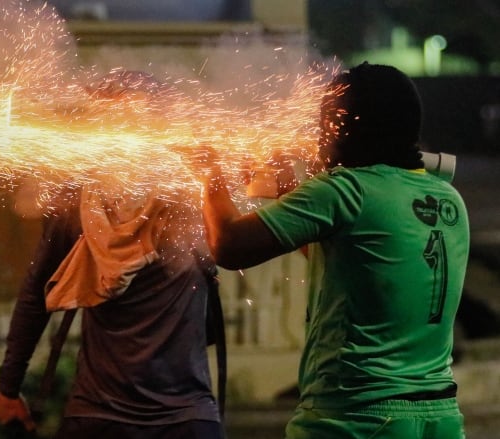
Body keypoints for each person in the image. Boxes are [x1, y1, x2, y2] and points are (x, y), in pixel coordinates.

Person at [186, 62, 469, 438]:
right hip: (438, 418)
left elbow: (229, 246)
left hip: (355, 418)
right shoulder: (447, 199)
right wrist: (289, 188)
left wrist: (209, 174)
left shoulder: (345, 189)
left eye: (326, 124)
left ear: (350, 128)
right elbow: (353, 258)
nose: (320, 137)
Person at [0, 71, 225, 439]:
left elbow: (35, 293)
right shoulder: (195, 196)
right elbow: (236, 249)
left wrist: (9, 387)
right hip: (183, 419)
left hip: (99, 418)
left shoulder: (80, 203)